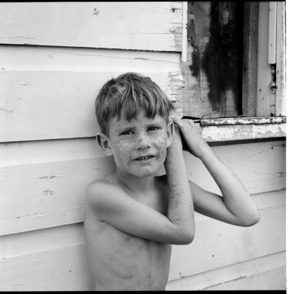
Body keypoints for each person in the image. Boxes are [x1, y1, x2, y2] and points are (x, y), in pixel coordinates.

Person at [84, 72, 260, 291]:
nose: (143, 142)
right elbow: (182, 232)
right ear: (106, 143)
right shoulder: (101, 195)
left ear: (167, 133)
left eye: (153, 128)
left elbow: (246, 215)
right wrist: (174, 149)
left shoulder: (170, 189)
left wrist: (204, 151)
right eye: (127, 132)